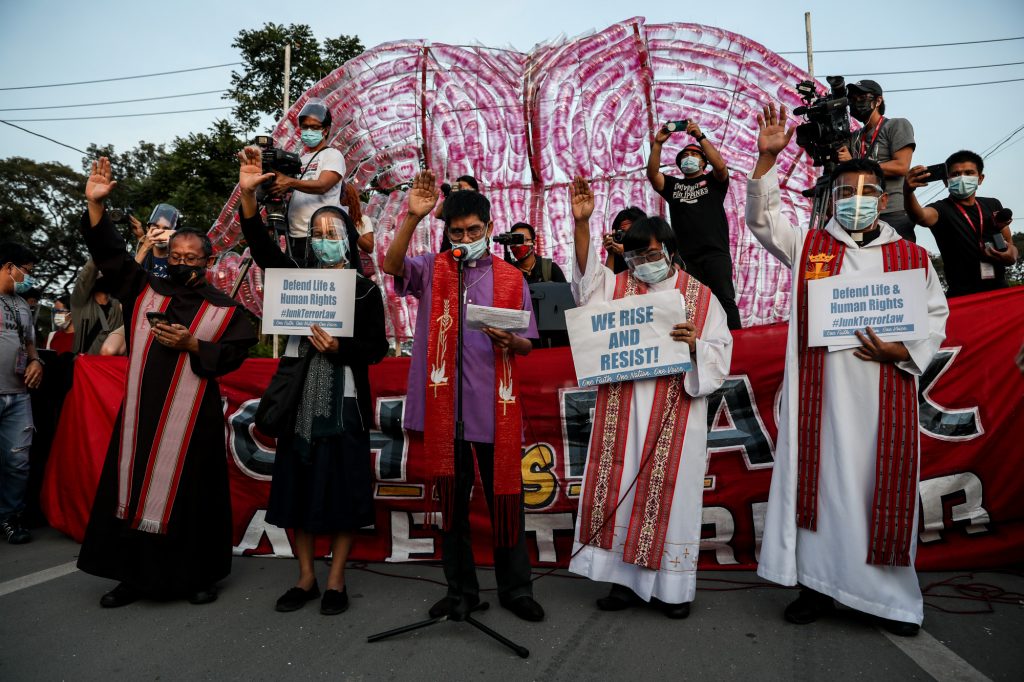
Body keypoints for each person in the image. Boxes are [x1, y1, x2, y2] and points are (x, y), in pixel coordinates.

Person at [746, 103, 948, 637]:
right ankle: (817, 585)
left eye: (866, 194)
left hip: (884, 393)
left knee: (876, 490)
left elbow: (935, 318)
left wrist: (904, 354)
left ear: (883, 201)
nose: (856, 202)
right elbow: (763, 220)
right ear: (831, 200)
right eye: (845, 193)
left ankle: (888, 598)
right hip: (823, 398)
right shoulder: (810, 247)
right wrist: (767, 161)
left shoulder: (910, 257)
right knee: (824, 488)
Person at [76, 157, 257, 608]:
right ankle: (130, 577)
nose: (181, 264)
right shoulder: (144, 290)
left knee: (193, 500)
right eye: (175, 257)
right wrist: (96, 208)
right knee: (130, 490)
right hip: (141, 415)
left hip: (191, 424)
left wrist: (194, 345)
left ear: (208, 262)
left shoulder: (225, 310)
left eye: (191, 259)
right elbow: (112, 256)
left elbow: (231, 358)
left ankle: (196, 577)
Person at [382, 171, 545, 622]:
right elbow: (393, 266)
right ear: (447, 233)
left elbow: (529, 341)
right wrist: (413, 218)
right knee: (452, 507)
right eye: (457, 232)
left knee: (505, 501)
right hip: (445, 408)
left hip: (495, 408)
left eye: (474, 230)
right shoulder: (434, 270)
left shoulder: (512, 277)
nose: (466, 237)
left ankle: (516, 590)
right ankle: (461, 591)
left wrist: (513, 343)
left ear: (489, 229)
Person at [567, 177, 733, 618]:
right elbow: (585, 285)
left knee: (671, 498)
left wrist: (697, 345)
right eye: (636, 254)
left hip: (676, 414)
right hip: (623, 411)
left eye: (652, 253)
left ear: (671, 251)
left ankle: (672, 591)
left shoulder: (700, 298)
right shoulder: (618, 288)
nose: (644, 262)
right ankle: (622, 584)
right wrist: (582, 225)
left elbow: (721, 351)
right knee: (620, 487)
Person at [237, 146, 389, 615]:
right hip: (299, 403)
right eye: (318, 232)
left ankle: (337, 580)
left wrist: (340, 348)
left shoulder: (365, 290)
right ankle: (305, 577)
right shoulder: (294, 278)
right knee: (298, 492)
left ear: (346, 237)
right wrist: (248, 197)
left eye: (333, 231)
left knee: (341, 494)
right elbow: (262, 247)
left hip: (344, 407)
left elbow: (377, 349)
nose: (325, 238)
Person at [647, 119, 741, 330]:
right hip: (687, 257)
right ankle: (695, 345)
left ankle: (739, 344)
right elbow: (653, 175)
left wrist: (700, 137)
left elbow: (720, 166)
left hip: (715, 253)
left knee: (725, 299)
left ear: (703, 162)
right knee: (690, 305)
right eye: (684, 156)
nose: (689, 158)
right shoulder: (673, 186)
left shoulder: (714, 182)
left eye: (694, 155)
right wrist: (658, 144)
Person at [905, 150, 1018, 297]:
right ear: (946, 181)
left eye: (969, 173)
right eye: (955, 174)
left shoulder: (993, 204)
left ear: (980, 178)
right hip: (962, 296)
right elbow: (919, 216)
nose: (962, 178)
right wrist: (908, 192)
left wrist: (1011, 255)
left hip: (999, 291)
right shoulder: (940, 209)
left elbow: (1010, 245)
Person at [0, 242, 44, 545]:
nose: (27, 278)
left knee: (18, 461)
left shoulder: (19, 305)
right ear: (8, 267)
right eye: (25, 272)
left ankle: (10, 517)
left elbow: (30, 344)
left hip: (18, 395)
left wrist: (36, 362)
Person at [838, 80, 917, 241]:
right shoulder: (855, 137)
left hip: (892, 211)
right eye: (852, 99)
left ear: (878, 100)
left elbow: (901, 166)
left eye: (861, 97)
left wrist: (854, 162)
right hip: (860, 214)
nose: (856, 102)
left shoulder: (896, 125)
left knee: (897, 263)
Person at [274, 98, 346, 259]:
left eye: (314, 127)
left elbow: (322, 185)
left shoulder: (333, 155)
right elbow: (292, 188)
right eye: (305, 127)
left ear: (325, 130)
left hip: (321, 237)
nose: (308, 131)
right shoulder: (300, 159)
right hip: (295, 236)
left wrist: (290, 181)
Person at [70, 259, 124, 355]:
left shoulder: (118, 306)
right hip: (83, 366)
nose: (104, 275)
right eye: (100, 271)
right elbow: (87, 274)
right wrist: (99, 249)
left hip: (109, 367)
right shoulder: (79, 303)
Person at [135, 204, 180, 278]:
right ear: (148, 229)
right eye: (156, 228)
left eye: (166, 229)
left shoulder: (179, 260)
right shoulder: (142, 257)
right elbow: (128, 277)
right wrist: (145, 246)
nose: (160, 232)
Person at [603, 206, 647, 274]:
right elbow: (608, 281)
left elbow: (647, 275)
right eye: (621, 233)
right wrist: (611, 254)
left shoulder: (650, 248)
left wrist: (627, 253)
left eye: (629, 232)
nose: (626, 237)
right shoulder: (618, 253)